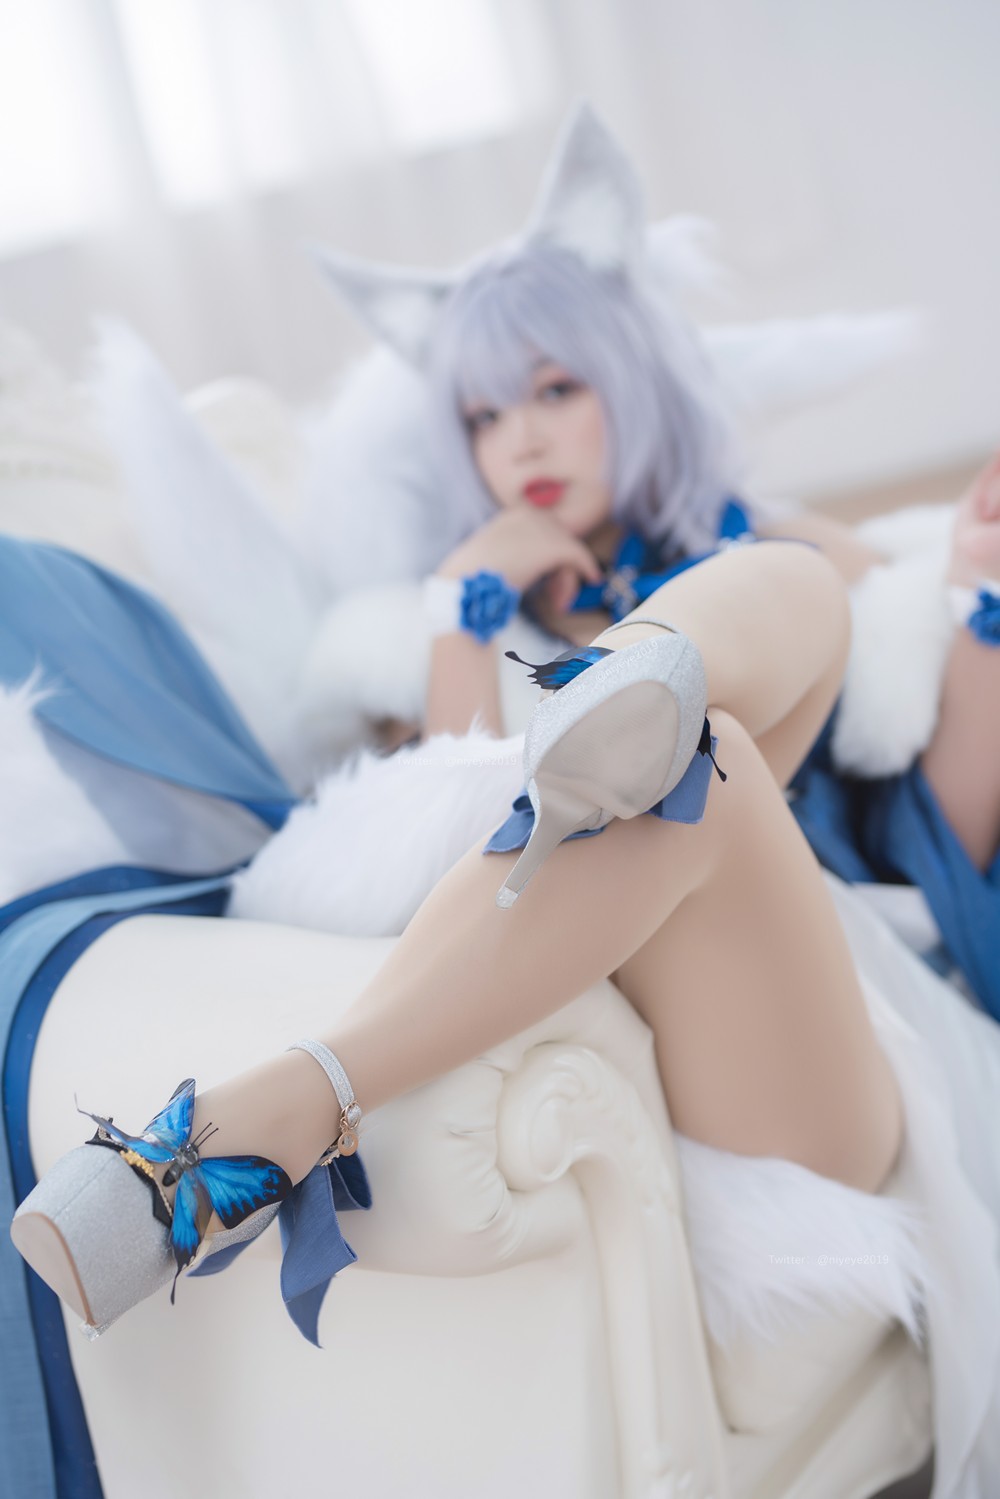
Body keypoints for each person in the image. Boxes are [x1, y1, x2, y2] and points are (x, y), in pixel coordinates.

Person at [310, 103, 1000, 1018]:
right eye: (484, 416)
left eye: (555, 389)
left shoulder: (769, 549)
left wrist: (977, 592)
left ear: (631, 378)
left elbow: (937, 840)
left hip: (853, 957)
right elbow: (459, 866)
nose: (521, 441)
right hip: (662, 979)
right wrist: (459, 603)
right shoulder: (478, 622)